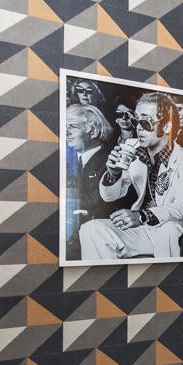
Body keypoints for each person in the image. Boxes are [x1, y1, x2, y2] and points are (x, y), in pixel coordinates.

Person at [79, 92, 183, 259]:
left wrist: (143, 216)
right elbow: (110, 196)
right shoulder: (133, 148)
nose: (138, 128)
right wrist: (113, 174)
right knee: (91, 229)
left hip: (169, 226)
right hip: (142, 230)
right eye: (136, 121)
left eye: (145, 122)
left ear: (166, 127)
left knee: (169, 230)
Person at [64, 103, 115, 260]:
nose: (66, 132)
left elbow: (96, 201)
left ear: (93, 132)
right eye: (65, 126)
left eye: (72, 126)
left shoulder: (109, 161)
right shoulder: (69, 160)